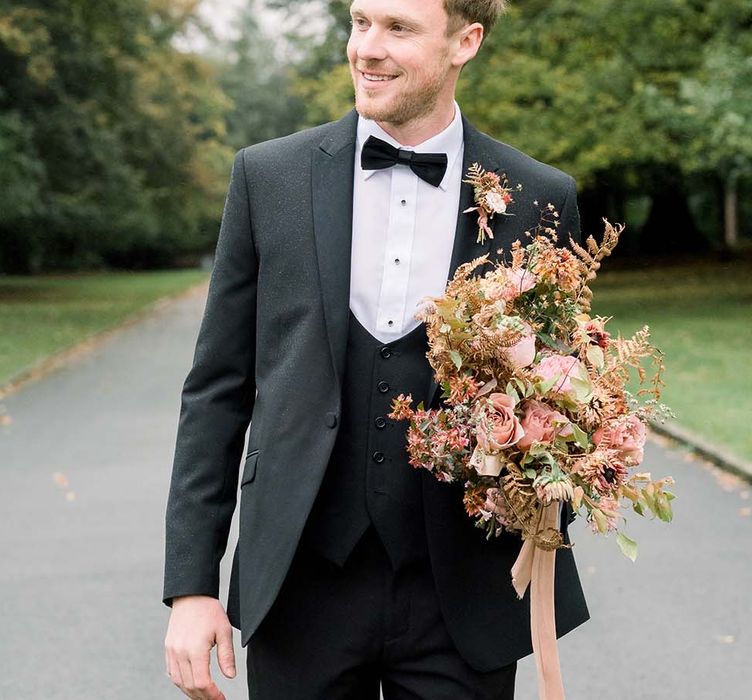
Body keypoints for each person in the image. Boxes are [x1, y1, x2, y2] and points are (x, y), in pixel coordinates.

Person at [163, 1, 589, 698]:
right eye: (361, 21)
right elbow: (216, 392)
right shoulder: (268, 178)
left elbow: (560, 396)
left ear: (466, 41)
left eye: (398, 28)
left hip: (462, 600)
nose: (367, 47)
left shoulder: (539, 198)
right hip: (300, 587)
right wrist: (190, 586)